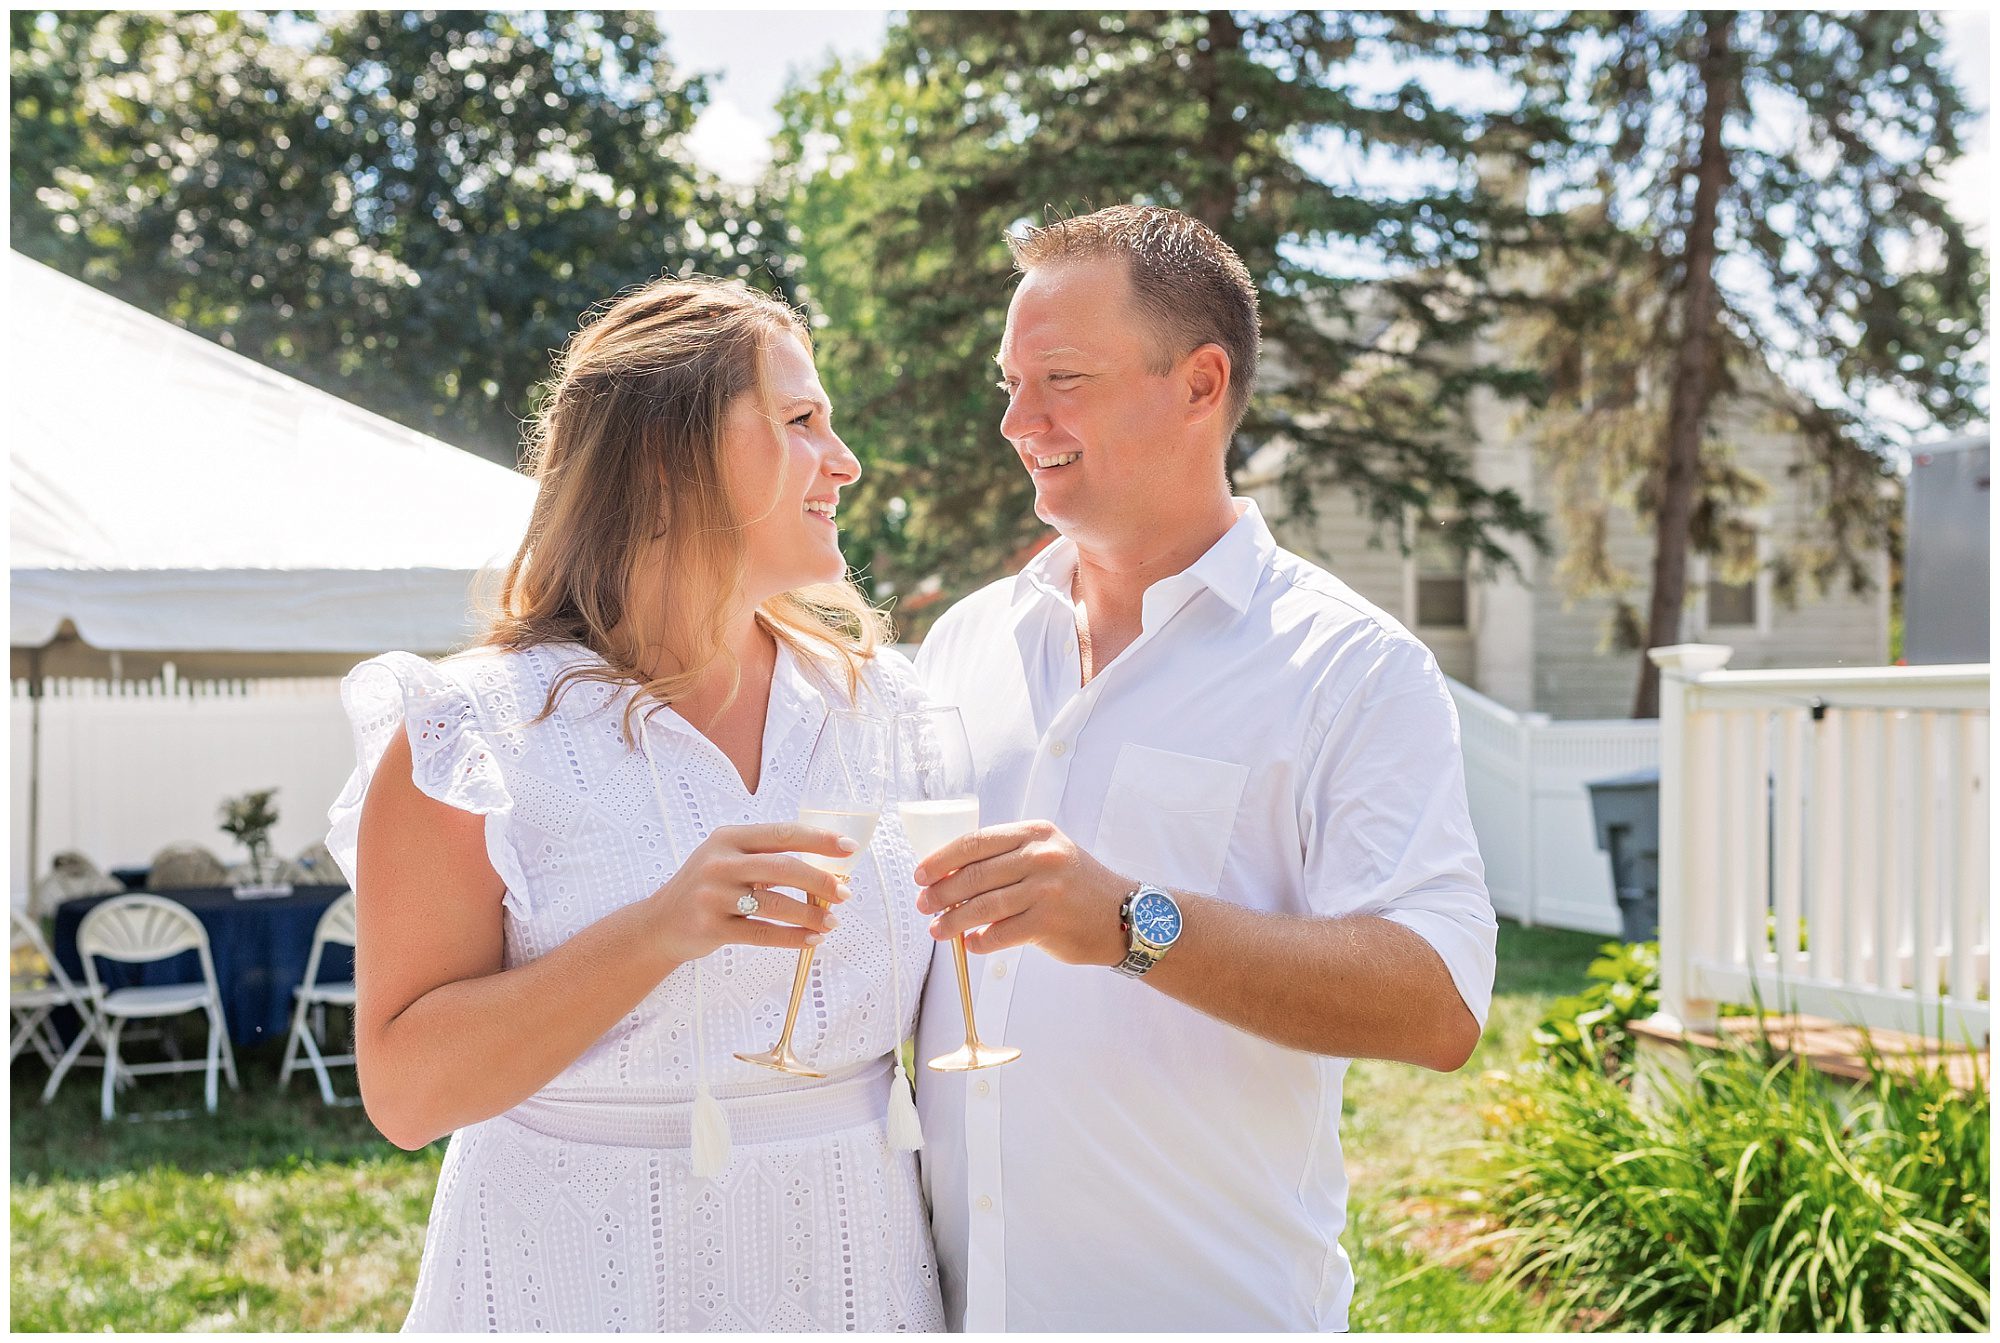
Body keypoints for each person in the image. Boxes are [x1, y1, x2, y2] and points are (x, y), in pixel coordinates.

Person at [908, 205, 1498, 1330]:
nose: (1016, 420)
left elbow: (1438, 1001)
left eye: (1060, 380)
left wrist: (1132, 922)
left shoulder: (1353, 669)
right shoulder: (962, 643)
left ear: (1198, 383)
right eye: (1009, 382)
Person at [326, 278, 943, 1331]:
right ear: (668, 454)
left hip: (853, 1272)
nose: (843, 461)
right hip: (569, 1284)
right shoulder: (468, 734)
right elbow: (406, 1093)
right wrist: (660, 929)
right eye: (800, 421)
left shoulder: (891, 712)